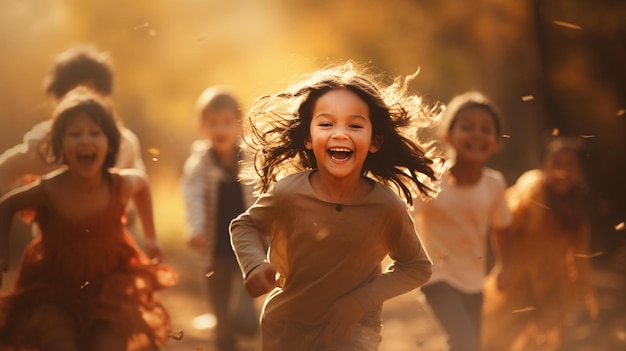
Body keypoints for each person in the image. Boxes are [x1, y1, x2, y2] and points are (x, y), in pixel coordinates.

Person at [229, 62, 438, 351]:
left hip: (355, 331)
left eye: (354, 125)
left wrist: (358, 302)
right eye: (326, 124)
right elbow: (245, 225)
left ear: (374, 140)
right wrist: (254, 265)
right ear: (308, 138)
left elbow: (416, 266)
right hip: (287, 329)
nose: (340, 133)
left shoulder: (386, 206)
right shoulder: (288, 194)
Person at [0, 87, 177, 351]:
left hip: (109, 286)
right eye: (75, 134)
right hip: (54, 289)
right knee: (60, 343)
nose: (85, 140)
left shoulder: (119, 184)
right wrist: (2, 254)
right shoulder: (51, 188)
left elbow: (142, 185)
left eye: (95, 133)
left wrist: (151, 238)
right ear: (60, 144)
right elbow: (8, 205)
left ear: (110, 144)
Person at [411, 91, 512, 351]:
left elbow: (500, 226)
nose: (477, 135)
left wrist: (503, 265)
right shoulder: (430, 180)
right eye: (467, 128)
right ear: (448, 136)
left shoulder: (494, 183)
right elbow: (404, 219)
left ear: (496, 141)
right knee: (464, 342)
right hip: (436, 277)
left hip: (474, 280)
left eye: (486, 130)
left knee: (473, 343)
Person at [481, 137, 598, 351]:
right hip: (518, 280)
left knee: (541, 341)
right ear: (546, 165)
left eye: (570, 165)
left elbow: (580, 252)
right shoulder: (532, 188)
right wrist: (503, 264)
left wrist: (581, 289)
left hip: (552, 286)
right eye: (557, 163)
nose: (562, 171)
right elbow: (503, 222)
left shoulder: (576, 206)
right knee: (496, 335)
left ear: (579, 172)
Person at [0, 44, 145, 196]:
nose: (82, 106)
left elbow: (138, 188)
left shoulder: (124, 144)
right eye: (73, 99)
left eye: (90, 97)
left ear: (104, 98)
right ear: (58, 101)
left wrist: (128, 212)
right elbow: (4, 171)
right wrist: (23, 204)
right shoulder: (44, 145)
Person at [181, 87, 259, 351]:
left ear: (238, 125)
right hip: (213, 248)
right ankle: (226, 342)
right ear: (201, 126)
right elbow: (192, 197)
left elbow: (265, 193)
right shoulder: (199, 164)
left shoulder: (251, 158)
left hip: (248, 245)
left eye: (227, 122)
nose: (220, 129)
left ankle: (248, 318)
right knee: (221, 316)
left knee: (243, 309)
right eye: (213, 123)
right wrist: (195, 228)